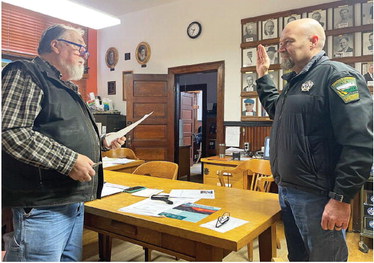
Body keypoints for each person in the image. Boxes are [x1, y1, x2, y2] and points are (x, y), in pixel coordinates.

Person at [2, 24, 126, 261]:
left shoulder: (66, 86)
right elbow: (11, 130)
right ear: (55, 45)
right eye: (79, 47)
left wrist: (101, 142)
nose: (84, 55)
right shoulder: (26, 72)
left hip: (72, 201)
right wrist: (69, 161)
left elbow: (61, 132)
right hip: (43, 205)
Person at [255, 18, 372, 261]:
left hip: (318, 197)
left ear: (313, 42)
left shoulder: (338, 76)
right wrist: (262, 76)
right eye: (280, 43)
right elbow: (277, 111)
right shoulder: (294, 82)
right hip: (288, 191)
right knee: (298, 257)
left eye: (288, 42)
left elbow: (360, 142)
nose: (281, 48)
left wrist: (341, 198)